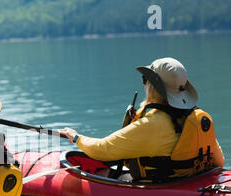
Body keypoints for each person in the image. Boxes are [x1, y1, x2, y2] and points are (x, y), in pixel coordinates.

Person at [59, 57, 225, 182]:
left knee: (102, 173)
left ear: (153, 86)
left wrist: (76, 137)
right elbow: (219, 161)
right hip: (192, 182)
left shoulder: (152, 124)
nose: (144, 84)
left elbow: (103, 150)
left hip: (162, 188)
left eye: (145, 80)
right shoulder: (197, 117)